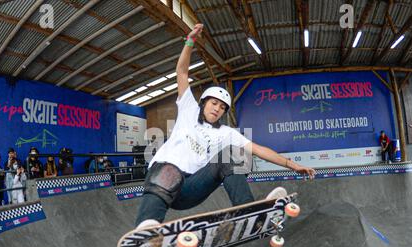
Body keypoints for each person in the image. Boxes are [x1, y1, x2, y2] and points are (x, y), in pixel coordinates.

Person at [134, 24, 316, 231]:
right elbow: (182, 72)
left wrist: (292, 165)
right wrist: (190, 41)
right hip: (161, 181)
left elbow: (258, 149)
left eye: (222, 107)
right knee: (169, 171)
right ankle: (146, 232)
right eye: (213, 104)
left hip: (190, 189)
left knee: (232, 156)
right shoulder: (188, 109)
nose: (217, 109)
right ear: (203, 103)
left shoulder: (226, 133)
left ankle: (251, 216)